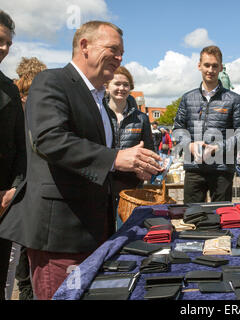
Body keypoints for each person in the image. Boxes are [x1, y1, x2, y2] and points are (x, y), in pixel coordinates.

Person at [0, 20, 162, 300]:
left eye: (122, 52)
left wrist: (137, 171)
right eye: (113, 49)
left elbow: (94, 167)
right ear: (84, 46)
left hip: (95, 232)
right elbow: (50, 139)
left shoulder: (99, 100)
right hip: (60, 236)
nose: (120, 57)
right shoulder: (51, 81)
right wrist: (116, 158)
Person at [173, 45, 240, 204]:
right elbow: (178, 129)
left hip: (222, 169)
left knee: (221, 217)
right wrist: (190, 146)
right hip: (194, 167)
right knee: (193, 216)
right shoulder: (187, 98)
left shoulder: (234, 99)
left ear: (221, 67)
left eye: (215, 65)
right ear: (199, 65)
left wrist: (217, 148)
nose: (210, 69)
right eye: (207, 65)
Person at [12, 56, 47, 300]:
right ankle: (27, 289)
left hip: (22, 181)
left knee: (23, 243)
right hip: (24, 182)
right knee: (24, 243)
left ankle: (26, 289)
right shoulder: (23, 108)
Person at [105, 66, 154, 230]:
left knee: (127, 229)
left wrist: (145, 170)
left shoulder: (141, 118)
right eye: (117, 83)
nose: (121, 88)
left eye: (126, 84)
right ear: (107, 86)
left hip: (130, 184)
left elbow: (150, 151)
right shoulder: (99, 113)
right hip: (103, 182)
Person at [0, 10, 26, 301]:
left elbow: (21, 148)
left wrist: (14, 190)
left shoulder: (8, 88)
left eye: (8, 43)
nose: (4, 49)